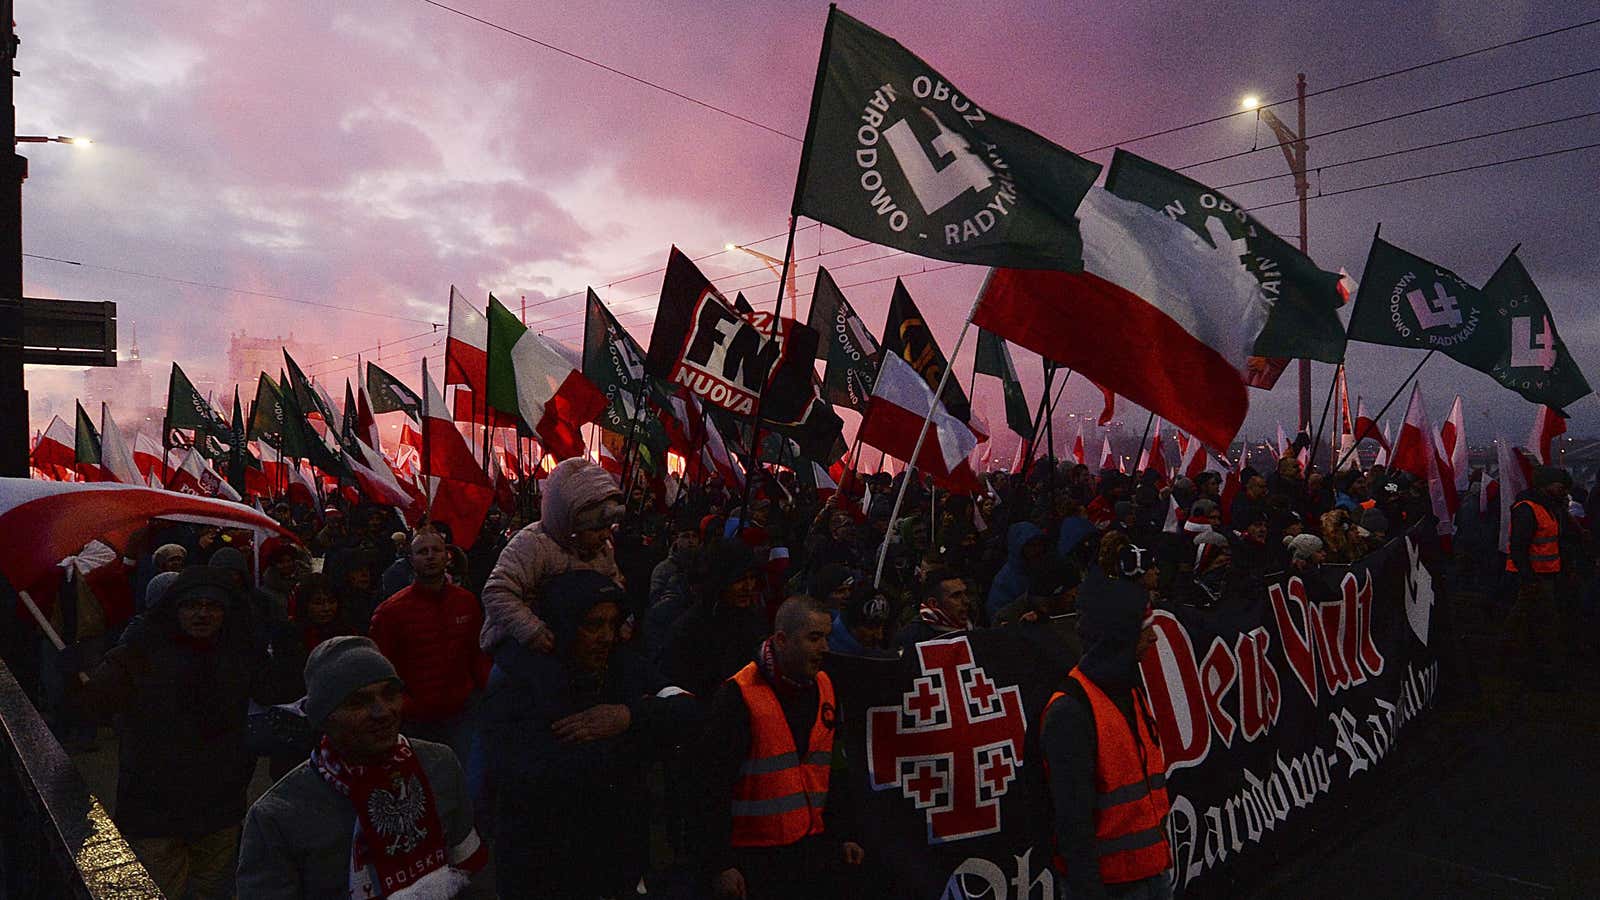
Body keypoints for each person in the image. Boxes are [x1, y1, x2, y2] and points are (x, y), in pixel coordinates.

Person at [479, 570, 700, 897]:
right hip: (545, 868)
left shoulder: (623, 665)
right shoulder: (520, 683)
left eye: (613, 624)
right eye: (593, 625)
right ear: (562, 625)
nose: (606, 637)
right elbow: (532, 779)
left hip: (618, 864)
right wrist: (638, 743)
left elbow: (690, 710)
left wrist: (629, 716)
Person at [74, 566, 273, 900]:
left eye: (213, 606)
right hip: (156, 807)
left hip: (219, 802)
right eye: (192, 605)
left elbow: (272, 693)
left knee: (213, 889)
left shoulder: (239, 653)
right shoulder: (138, 653)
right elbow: (92, 707)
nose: (203, 614)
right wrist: (76, 679)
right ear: (174, 608)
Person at [238, 637, 489, 899]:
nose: (383, 712)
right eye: (358, 702)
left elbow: (471, 869)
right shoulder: (277, 816)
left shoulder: (440, 764)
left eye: (390, 693)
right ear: (324, 717)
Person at [699, 596, 864, 900]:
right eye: (814, 638)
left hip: (814, 848)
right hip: (756, 859)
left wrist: (845, 833)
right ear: (782, 640)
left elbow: (835, 770)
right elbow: (710, 786)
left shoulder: (826, 686)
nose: (825, 648)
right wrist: (719, 864)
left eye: (826, 637)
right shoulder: (738, 696)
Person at [1041, 561, 1172, 900]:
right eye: (1145, 627)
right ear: (1121, 634)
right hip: (1112, 888)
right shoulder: (1071, 712)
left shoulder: (1130, 691)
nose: (1154, 636)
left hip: (1153, 872)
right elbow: (1072, 824)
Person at [480, 457, 623, 654]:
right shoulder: (532, 544)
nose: (606, 535)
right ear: (571, 524)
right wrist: (532, 630)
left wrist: (621, 621)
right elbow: (497, 592)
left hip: (577, 645)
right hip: (522, 644)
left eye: (608, 527)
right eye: (596, 528)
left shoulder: (602, 549)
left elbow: (613, 586)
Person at [369, 531, 490, 764]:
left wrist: (484, 693)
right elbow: (382, 667)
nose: (430, 556)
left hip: (461, 712)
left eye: (436, 550)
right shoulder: (390, 612)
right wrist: (403, 704)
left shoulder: (466, 602)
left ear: (448, 556)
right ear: (411, 559)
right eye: (422, 552)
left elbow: (477, 653)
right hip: (415, 719)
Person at [660, 539, 772, 700]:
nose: (748, 587)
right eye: (740, 579)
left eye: (752, 578)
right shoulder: (689, 629)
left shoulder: (754, 622)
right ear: (721, 580)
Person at [1505, 465, 1578, 688]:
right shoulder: (1528, 509)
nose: (1564, 491)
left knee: (1527, 620)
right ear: (1546, 485)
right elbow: (1519, 547)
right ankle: (1542, 668)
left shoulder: (1548, 507)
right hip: (1533, 577)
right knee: (1543, 621)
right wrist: (1529, 577)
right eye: (1560, 486)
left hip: (1546, 575)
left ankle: (1519, 660)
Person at [894, 566, 972, 656]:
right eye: (956, 596)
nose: (966, 601)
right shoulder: (910, 638)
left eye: (965, 593)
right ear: (933, 604)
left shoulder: (974, 631)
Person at [827, 583, 894, 658]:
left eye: (882, 626)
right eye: (871, 627)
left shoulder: (877, 656)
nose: (879, 636)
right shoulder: (824, 655)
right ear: (852, 625)